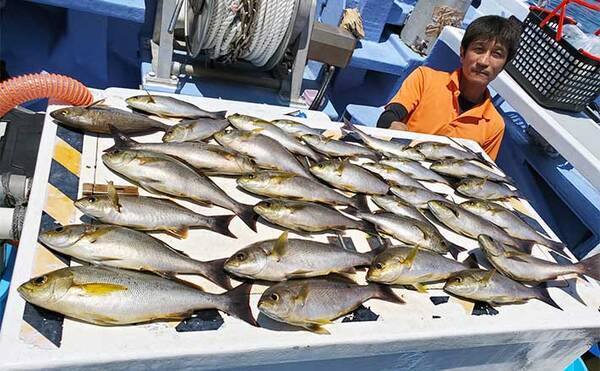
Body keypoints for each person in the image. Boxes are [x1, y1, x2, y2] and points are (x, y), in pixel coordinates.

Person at [376, 15, 521, 160]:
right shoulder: (425, 78)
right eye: (478, 49)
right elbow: (389, 115)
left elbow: (481, 169)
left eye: (497, 54)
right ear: (463, 53)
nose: (484, 61)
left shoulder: (495, 125)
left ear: (503, 66)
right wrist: (394, 126)